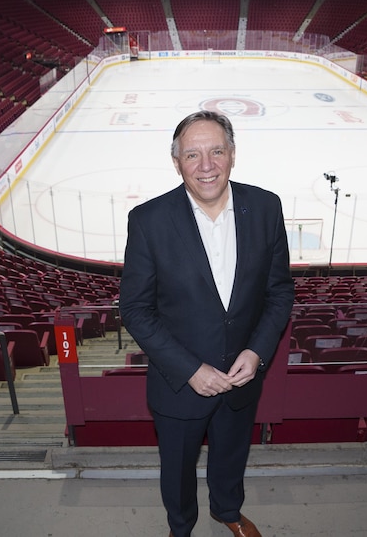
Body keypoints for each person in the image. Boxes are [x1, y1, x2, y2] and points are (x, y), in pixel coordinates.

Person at [119, 111, 294, 537]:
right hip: (180, 383)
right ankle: (181, 527)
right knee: (177, 470)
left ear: (232, 155)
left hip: (242, 376)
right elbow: (135, 309)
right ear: (176, 162)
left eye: (216, 151)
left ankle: (228, 511)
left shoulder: (266, 207)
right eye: (192, 155)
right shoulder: (148, 221)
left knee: (231, 455)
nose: (206, 165)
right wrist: (191, 370)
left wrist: (256, 352)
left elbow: (279, 293)